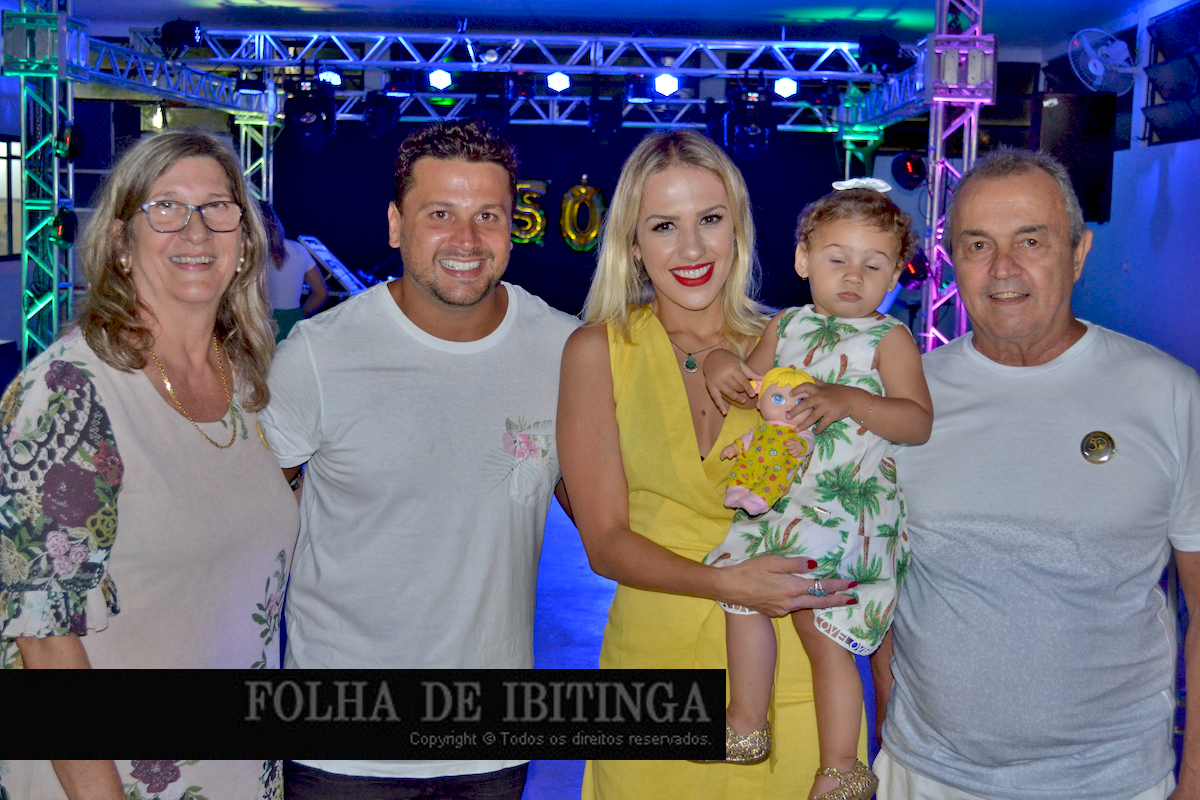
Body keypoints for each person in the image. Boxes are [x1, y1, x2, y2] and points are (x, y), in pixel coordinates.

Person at [259, 119, 577, 799]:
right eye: (440, 214)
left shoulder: (561, 350)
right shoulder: (320, 356)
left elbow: (609, 514)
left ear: (512, 227)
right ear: (396, 225)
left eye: (488, 215)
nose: (466, 240)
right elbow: (250, 523)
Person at [875, 148, 1200, 800]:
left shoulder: (1167, 395)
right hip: (928, 778)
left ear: (1078, 253)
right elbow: (878, 593)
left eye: (1031, 241)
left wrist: (1193, 783)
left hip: (1116, 784)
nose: (1003, 268)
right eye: (978, 245)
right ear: (952, 259)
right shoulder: (902, 400)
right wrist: (890, 743)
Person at [557, 128, 859, 800]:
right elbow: (604, 542)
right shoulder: (595, 352)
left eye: (711, 220)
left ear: (738, 229)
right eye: (664, 226)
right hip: (651, 672)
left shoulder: (803, 345)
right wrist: (729, 584)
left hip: (793, 673)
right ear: (633, 244)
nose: (692, 249)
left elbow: (861, 504)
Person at [0, 130, 299, 799]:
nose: (195, 230)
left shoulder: (250, 383)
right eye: (165, 207)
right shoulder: (70, 393)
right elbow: (43, 636)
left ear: (245, 243)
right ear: (120, 242)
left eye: (218, 207)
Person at [703, 182, 931, 799]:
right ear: (804, 259)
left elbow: (917, 422)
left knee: (821, 632)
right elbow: (752, 388)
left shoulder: (888, 339)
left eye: (874, 265)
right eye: (837, 258)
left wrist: (852, 400)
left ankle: (841, 766)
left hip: (843, 508)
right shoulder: (787, 324)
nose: (853, 276)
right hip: (780, 499)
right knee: (741, 597)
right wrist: (722, 363)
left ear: (896, 276)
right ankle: (747, 720)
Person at [262, 201, 329, 341]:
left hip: (261, 325)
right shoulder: (299, 250)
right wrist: (299, 314)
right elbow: (321, 293)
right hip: (292, 325)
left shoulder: (250, 253)